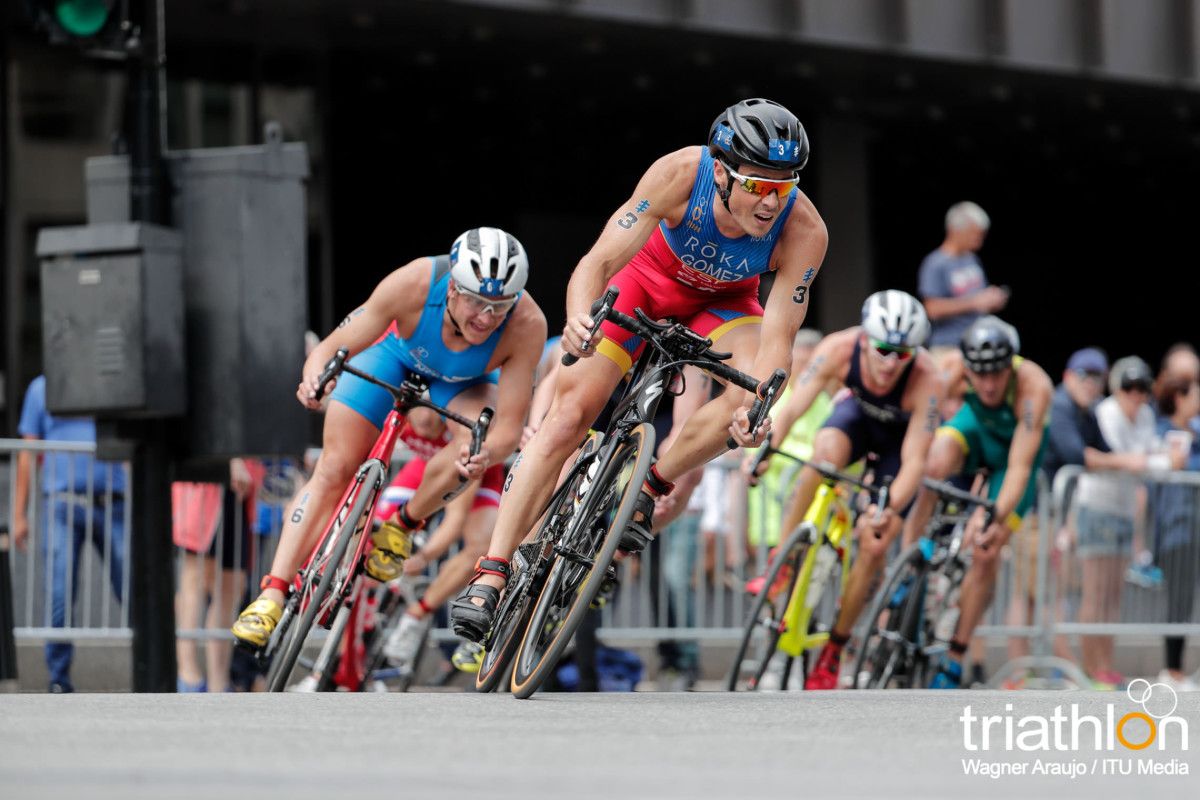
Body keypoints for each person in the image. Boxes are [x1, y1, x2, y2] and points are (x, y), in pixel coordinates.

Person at [450, 98, 829, 641]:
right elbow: (599, 261)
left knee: (750, 396)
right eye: (757, 185)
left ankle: (649, 485)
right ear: (721, 172)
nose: (771, 202)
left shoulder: (805, 230)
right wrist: (580, 315)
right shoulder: (680, 173)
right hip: (645, 283)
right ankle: (491, 574)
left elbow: (779, 336)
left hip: (722, 304)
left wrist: (759, 409)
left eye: (784, 186)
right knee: (569, 416)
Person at [231, 227, 545, 648]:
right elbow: (333, 346)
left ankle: (402, 525)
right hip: (393, 356)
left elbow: (508, 428)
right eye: (476, 301)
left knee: (474, 446)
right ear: (451, 287)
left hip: (465, 381)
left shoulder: (527, 323)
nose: (487, 318)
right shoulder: (415, 281)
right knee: (335, 467)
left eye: (499, 306)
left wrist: (485, 454)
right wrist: (315, 381)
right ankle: (272, 592)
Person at [754, 290, 944, 689]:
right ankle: (782, 561)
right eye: (883, 349)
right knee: (823, 457)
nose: (891, 362)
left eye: (903, 353)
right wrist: (766, 451)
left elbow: (915, 461)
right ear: (863, 338)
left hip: (897, 446)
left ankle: (836, 647)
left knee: (876, 542)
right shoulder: (838, 348)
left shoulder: (929, 378)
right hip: (857, 421)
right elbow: (791, 409)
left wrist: (886, 507)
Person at [902, 316, 1052, 689]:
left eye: (996, 374)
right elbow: (924, 421)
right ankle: (909, 560)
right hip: (976, 430)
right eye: (979, 375)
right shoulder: (952, 369)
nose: (987, 384)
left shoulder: (1034, 385)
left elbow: (1019, 467)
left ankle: (955, 656)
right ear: (967, 368)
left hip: (1012, 457)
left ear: (1010, 367)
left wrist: (993, 517)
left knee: (986, 551)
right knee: (933, 462)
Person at [999, 347, 1108, 684]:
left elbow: (1103, 452)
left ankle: (1025, 672)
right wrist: (1134, 462)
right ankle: (1041, 671)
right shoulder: (1059, 405)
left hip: (1048, 514)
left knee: (1034, 594)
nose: (1090, 384)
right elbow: (1078, 455)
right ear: (1068, 376)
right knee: (1041, 595)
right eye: (1083, 376)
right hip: (1032, 512)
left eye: (1097, 378)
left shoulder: (1084, 413)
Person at [1072, 356, 1182, 689]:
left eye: (1142, 388)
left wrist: (1156, 458)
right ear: (1119, 388)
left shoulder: (1146, 414)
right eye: (1129, 387)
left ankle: (1105, 665)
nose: (1136, 395)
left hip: (1122, 511)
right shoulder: (1106, 412)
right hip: (1097, 506)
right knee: (1095, 593)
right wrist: (1159, 461)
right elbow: (1126, 460)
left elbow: (1144, 456)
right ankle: (1091, 669)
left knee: (1113, 596)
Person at [13, 375, 126, 693]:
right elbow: (27, 452)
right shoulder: (41, 388)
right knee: (59, 594)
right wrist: (19, 514)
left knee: (133, 587)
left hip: (112, 502)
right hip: (62, 504)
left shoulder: (111, 380)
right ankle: (58, 679)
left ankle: (154, 667)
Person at [173, 458, 263, 693]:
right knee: (196, 577)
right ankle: (187, 674)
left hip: (241, 482)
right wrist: (229, 458)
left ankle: (218, 681)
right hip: (208, 478)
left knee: (232, 585)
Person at [1152, 373, 1200, 691]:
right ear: (1180, 398)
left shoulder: (1195, 434)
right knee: (1177, 602)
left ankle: (1180, 670)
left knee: (1188, 601)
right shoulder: (1161, 432)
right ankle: (1172, 669)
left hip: (1194, 526)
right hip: (1175, 528)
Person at [917, 202, 1009, 364]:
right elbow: (932, 308)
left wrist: (991, 300)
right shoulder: (935, 263)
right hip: (948, 347)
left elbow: (979, 298)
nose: (979, 240)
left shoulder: (971, 259)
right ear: (955, 230)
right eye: (974, 234)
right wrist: (974, 302)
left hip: (978, 342)